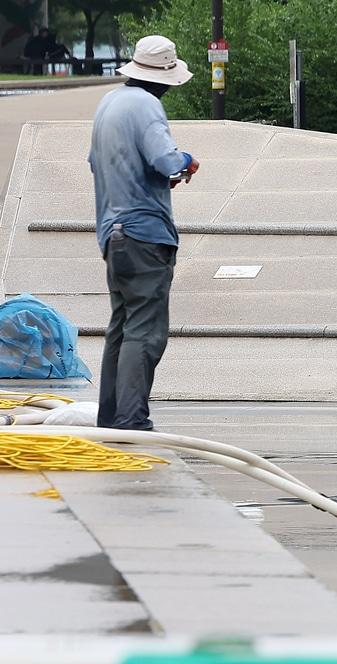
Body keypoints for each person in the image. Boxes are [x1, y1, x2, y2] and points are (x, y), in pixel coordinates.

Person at [88, 35, 197, 430]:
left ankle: (111, 419)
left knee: (121, 328)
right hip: (144, 234)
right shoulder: (147, 105)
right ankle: (132, 422)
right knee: (145, 332)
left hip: (111, 234)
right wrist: (187, 160)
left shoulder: (110, 103)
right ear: (163, 77)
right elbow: (165, 159)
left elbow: (98, 163)